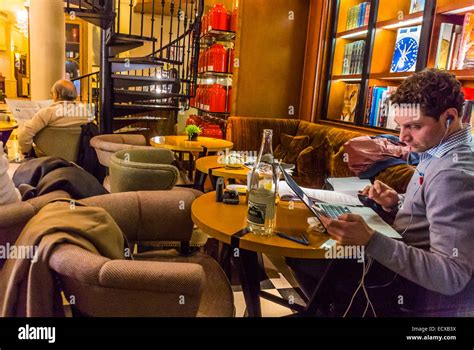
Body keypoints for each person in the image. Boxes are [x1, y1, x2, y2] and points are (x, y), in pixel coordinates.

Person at [287, 68, 474, 316]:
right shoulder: (440, 148)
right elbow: (435, 209)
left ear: (449, 117)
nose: (403, 137)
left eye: (414, 126)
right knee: (311, 252)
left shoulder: (453, 173)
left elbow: (452, 276)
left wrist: (370, 240)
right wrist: (396, 202)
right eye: (400, 126)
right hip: (400, 261)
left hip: (404, 287)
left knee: (305, 256)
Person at [18, 79, 92, 154]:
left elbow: (24, 136)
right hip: (79, 161)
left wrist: (28, 152)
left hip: (47, 160)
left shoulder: (47, 113)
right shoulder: (85, 113)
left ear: (56, 94)